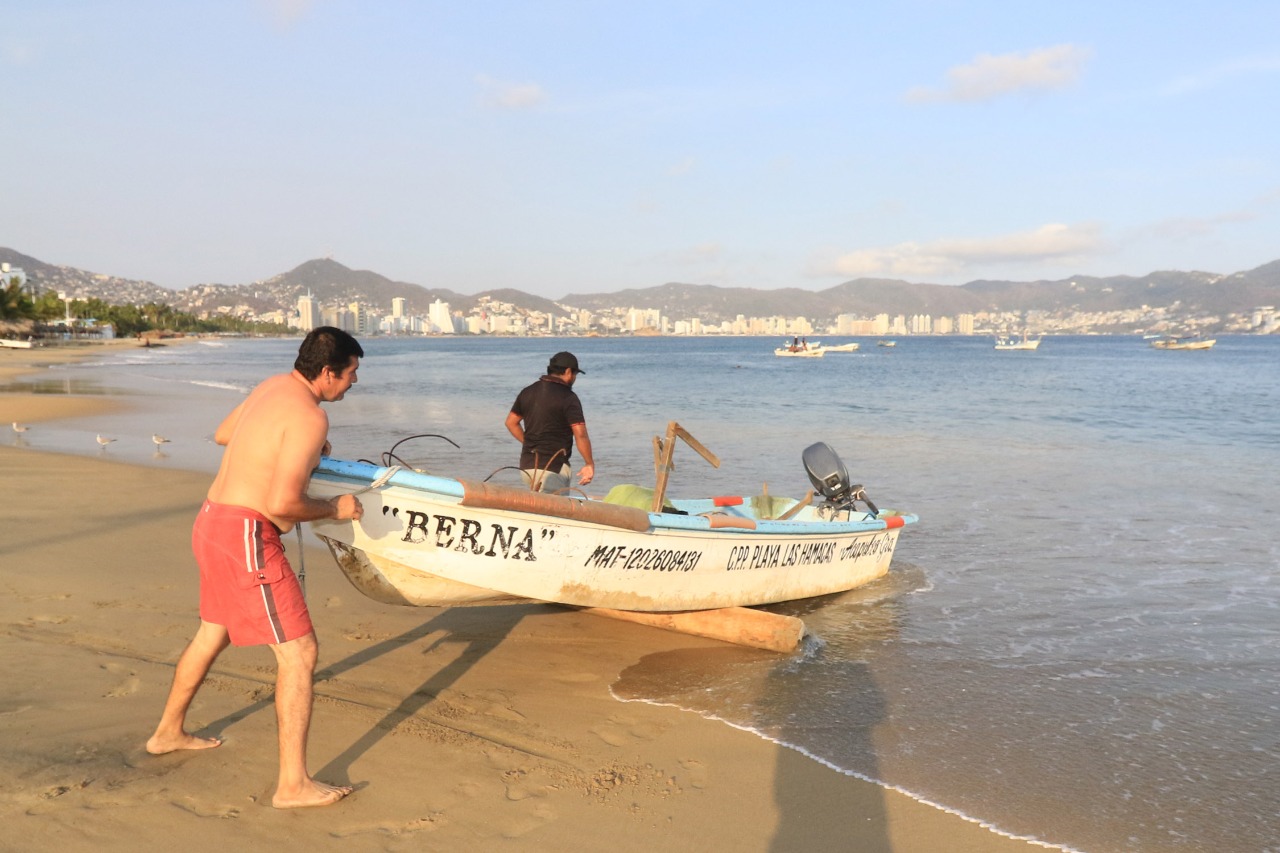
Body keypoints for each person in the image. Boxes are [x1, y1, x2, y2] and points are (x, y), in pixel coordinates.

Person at [145, 326, 365, 809]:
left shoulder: (272, 386)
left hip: (211, 521)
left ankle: (167, 732)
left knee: (212, 632)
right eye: (350, 375)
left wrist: (295, 451)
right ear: (328, 373)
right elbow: (284, 503)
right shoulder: (310, 417)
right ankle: (293, 785)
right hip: (247, 536)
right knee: (299, 653)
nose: (352, 383)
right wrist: (337, 508)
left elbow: (227, 434)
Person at [504, 350, 595, 493]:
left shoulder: (528, 391)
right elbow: (580, 434)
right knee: (556, 513)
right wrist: (589, 464)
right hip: (553, 469)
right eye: (575, 374)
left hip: (527, 467)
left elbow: (511, 423)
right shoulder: (568, 397)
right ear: (568, 371)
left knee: (537, 508)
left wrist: (528, 443)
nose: (575, 378)